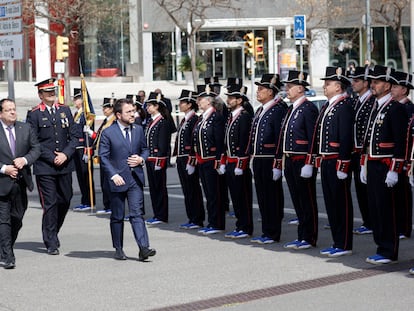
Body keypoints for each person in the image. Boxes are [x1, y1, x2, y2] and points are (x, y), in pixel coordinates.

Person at [99, 98, 155, 261]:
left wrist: (141, 159)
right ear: (118, 115)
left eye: (134, 111)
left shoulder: (138, 130)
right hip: (117, 180)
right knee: (117, 216)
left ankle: (143, 248)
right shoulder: (108, 132)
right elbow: (103, 157)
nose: (133, 114)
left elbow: (145, 149)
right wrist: (113, 174)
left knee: (137, 214)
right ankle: (118, 248)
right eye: (129, 112)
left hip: (135, 179)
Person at [26, 78, 79, 255]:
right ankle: (50, 240)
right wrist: (52, 157)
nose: (51, 94)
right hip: (45, 167)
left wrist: (65, 154)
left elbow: (74, 137)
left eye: (53, 91)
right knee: (50, 204)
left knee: (65, 199)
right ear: (40, 95)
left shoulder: (64, 110)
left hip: (64, 164)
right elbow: (33, 141)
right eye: (47, 92)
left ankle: (53, 230)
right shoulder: (34, 114)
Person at [361, 65, 407, 264]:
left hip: (386, 165)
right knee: (375, 208)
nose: (373, 85)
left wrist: (395, 170)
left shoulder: (395, 108)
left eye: (377, 82)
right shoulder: (376, 106)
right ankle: (381, 246)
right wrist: (364, 164)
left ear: (387, 85)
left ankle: (389, 250)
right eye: (371, 81)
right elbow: (368, 139)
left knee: (387, 209)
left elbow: (401, 141)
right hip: (372, 164)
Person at [306, 66, 354, 258]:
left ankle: (344, 243)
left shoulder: (344, 106)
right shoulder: (328, 106)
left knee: (341, 204)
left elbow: (345, 137)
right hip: (326, 161)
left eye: (328, 84)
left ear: (338, 86)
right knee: (331, 203)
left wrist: (343, 164)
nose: (324, 87)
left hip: (336, 161)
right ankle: (337, 241)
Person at [274, 71, 319, 250]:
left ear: (300, 88)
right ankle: (302, 236)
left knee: (307, 200)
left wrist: (309, 162)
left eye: (290, 86)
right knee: (298, 201)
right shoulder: (291, 108)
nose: (287, 89)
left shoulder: (308, 108)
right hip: (290, 160)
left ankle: (309, 237)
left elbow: (312, 138)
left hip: (302, 161)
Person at [0, 98, 40, 269]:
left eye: (14, 109)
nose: (13, 112)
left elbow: (36, 148)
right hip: (2, 183)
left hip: (21, 182)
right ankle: (8, 255)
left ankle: (4, 245)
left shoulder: (25, 128)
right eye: (8, 110)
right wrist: (4, 169)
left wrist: (25, 160)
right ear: (0, 113)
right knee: (4, 220)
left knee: (17, 218)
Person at [248, 74, 287, 244]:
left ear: (271, 92)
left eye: (261, 89)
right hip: (259, 159)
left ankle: (273, 232)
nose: (258, 92)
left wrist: (278, 162)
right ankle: (266, 231)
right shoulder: (261, 109)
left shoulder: (278, 109)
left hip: (270, 159)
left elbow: (279, 137)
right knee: (263, 197)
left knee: (272, 197)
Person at [193, 84, 226, 235]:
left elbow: (219, 141)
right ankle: (211, 221)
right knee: (208, 192)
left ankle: (217, 223)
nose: (198, 102)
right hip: (203, 160)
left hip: (212, 160)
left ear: (208, 101)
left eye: (200, 99)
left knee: (215, 193)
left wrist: (220, 161)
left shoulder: (216, 117)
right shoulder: (202, 117)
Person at [222, 82, 254, 239]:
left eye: (231, 97)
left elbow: (244, 142)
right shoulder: (231, 116)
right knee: (235, 196)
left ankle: (246, 227)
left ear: (240, 100)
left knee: (243, 197)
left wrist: (241, 164)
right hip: (230, 161)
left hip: (239, 163)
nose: (228, 100)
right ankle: (240, 225)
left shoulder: (244, 117)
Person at [349, 66, 375, 235]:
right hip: (355, 152)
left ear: (366, 82)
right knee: (359, 189)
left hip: (365, 152)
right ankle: (367, 221)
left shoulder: (371, 101)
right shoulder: (356, 100)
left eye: (357, 80)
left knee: (368, 189)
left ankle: (371, 222)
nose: (353, 83)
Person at [174, 89, 205, 229]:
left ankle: (197, 218)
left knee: (193, 189)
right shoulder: (185, 119)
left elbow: (193, 142)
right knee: (186, 189)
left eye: (182, 102)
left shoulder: (194, 119)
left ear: (190, 104)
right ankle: (191, 217)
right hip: (181, 158)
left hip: (189, 159)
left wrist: (191, 161)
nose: (180, 104)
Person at [389, 70, 414, 240]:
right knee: (396, 195)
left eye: (396, 87)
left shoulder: (408, 108)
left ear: (404, 90)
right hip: (397, 157)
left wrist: (406, 160)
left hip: (406, 158)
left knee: (404, 195)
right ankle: (398, 226)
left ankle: (404, 228)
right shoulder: (395, 107)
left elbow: (407, 136)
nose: (392, 89)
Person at [86, 97, 116, 215]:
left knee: (109, 182)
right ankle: (107, 204)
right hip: (102, 153)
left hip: (109, 155)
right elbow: (99, 137)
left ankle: (111, 205)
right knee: (104, 182)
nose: (104, 109)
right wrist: (90, 133)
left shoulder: (113, 121)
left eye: (107, 107)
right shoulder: (105, 120)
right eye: (104, 107)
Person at [144, 92, 171, 225]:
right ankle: (156, 214)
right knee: (154, 188)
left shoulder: (162, 122)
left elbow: (163, 144)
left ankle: (162, 215)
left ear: (157, 106)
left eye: (150, 106)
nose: (147, 108)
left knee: (160, 188)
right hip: (150, 159)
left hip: (157, 160)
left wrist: (160, 160)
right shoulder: (151, 121)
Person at [72, 88, 95, 212]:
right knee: (81, 176)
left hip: (83, 148)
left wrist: (88, 149)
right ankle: (84, 200)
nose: (75, 101)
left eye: (77, 99)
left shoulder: (86, 114)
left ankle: (89, 201)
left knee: (86, 176)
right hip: (76, 148)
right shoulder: (77, 114)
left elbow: (88, 133)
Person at [153, 88, 177, 167]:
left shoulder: (166, 100)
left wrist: (161, 101)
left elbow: (169, 109)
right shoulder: (153, 102)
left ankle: (168, 160)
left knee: (167, 143)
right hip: (158, 123)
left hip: (167, 123)